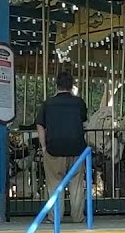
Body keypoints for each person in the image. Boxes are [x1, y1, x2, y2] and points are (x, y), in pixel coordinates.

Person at [35, 71, 89, 223]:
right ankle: (78, 217)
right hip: (77, 149)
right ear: (71, 86)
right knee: (76, 186)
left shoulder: (47, 104)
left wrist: (44, 146)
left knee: (54, 185)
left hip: (54, 149)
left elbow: (40, 125)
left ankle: (55, 217)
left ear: (56, 85)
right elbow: (84, 119)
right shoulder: (79, 103)